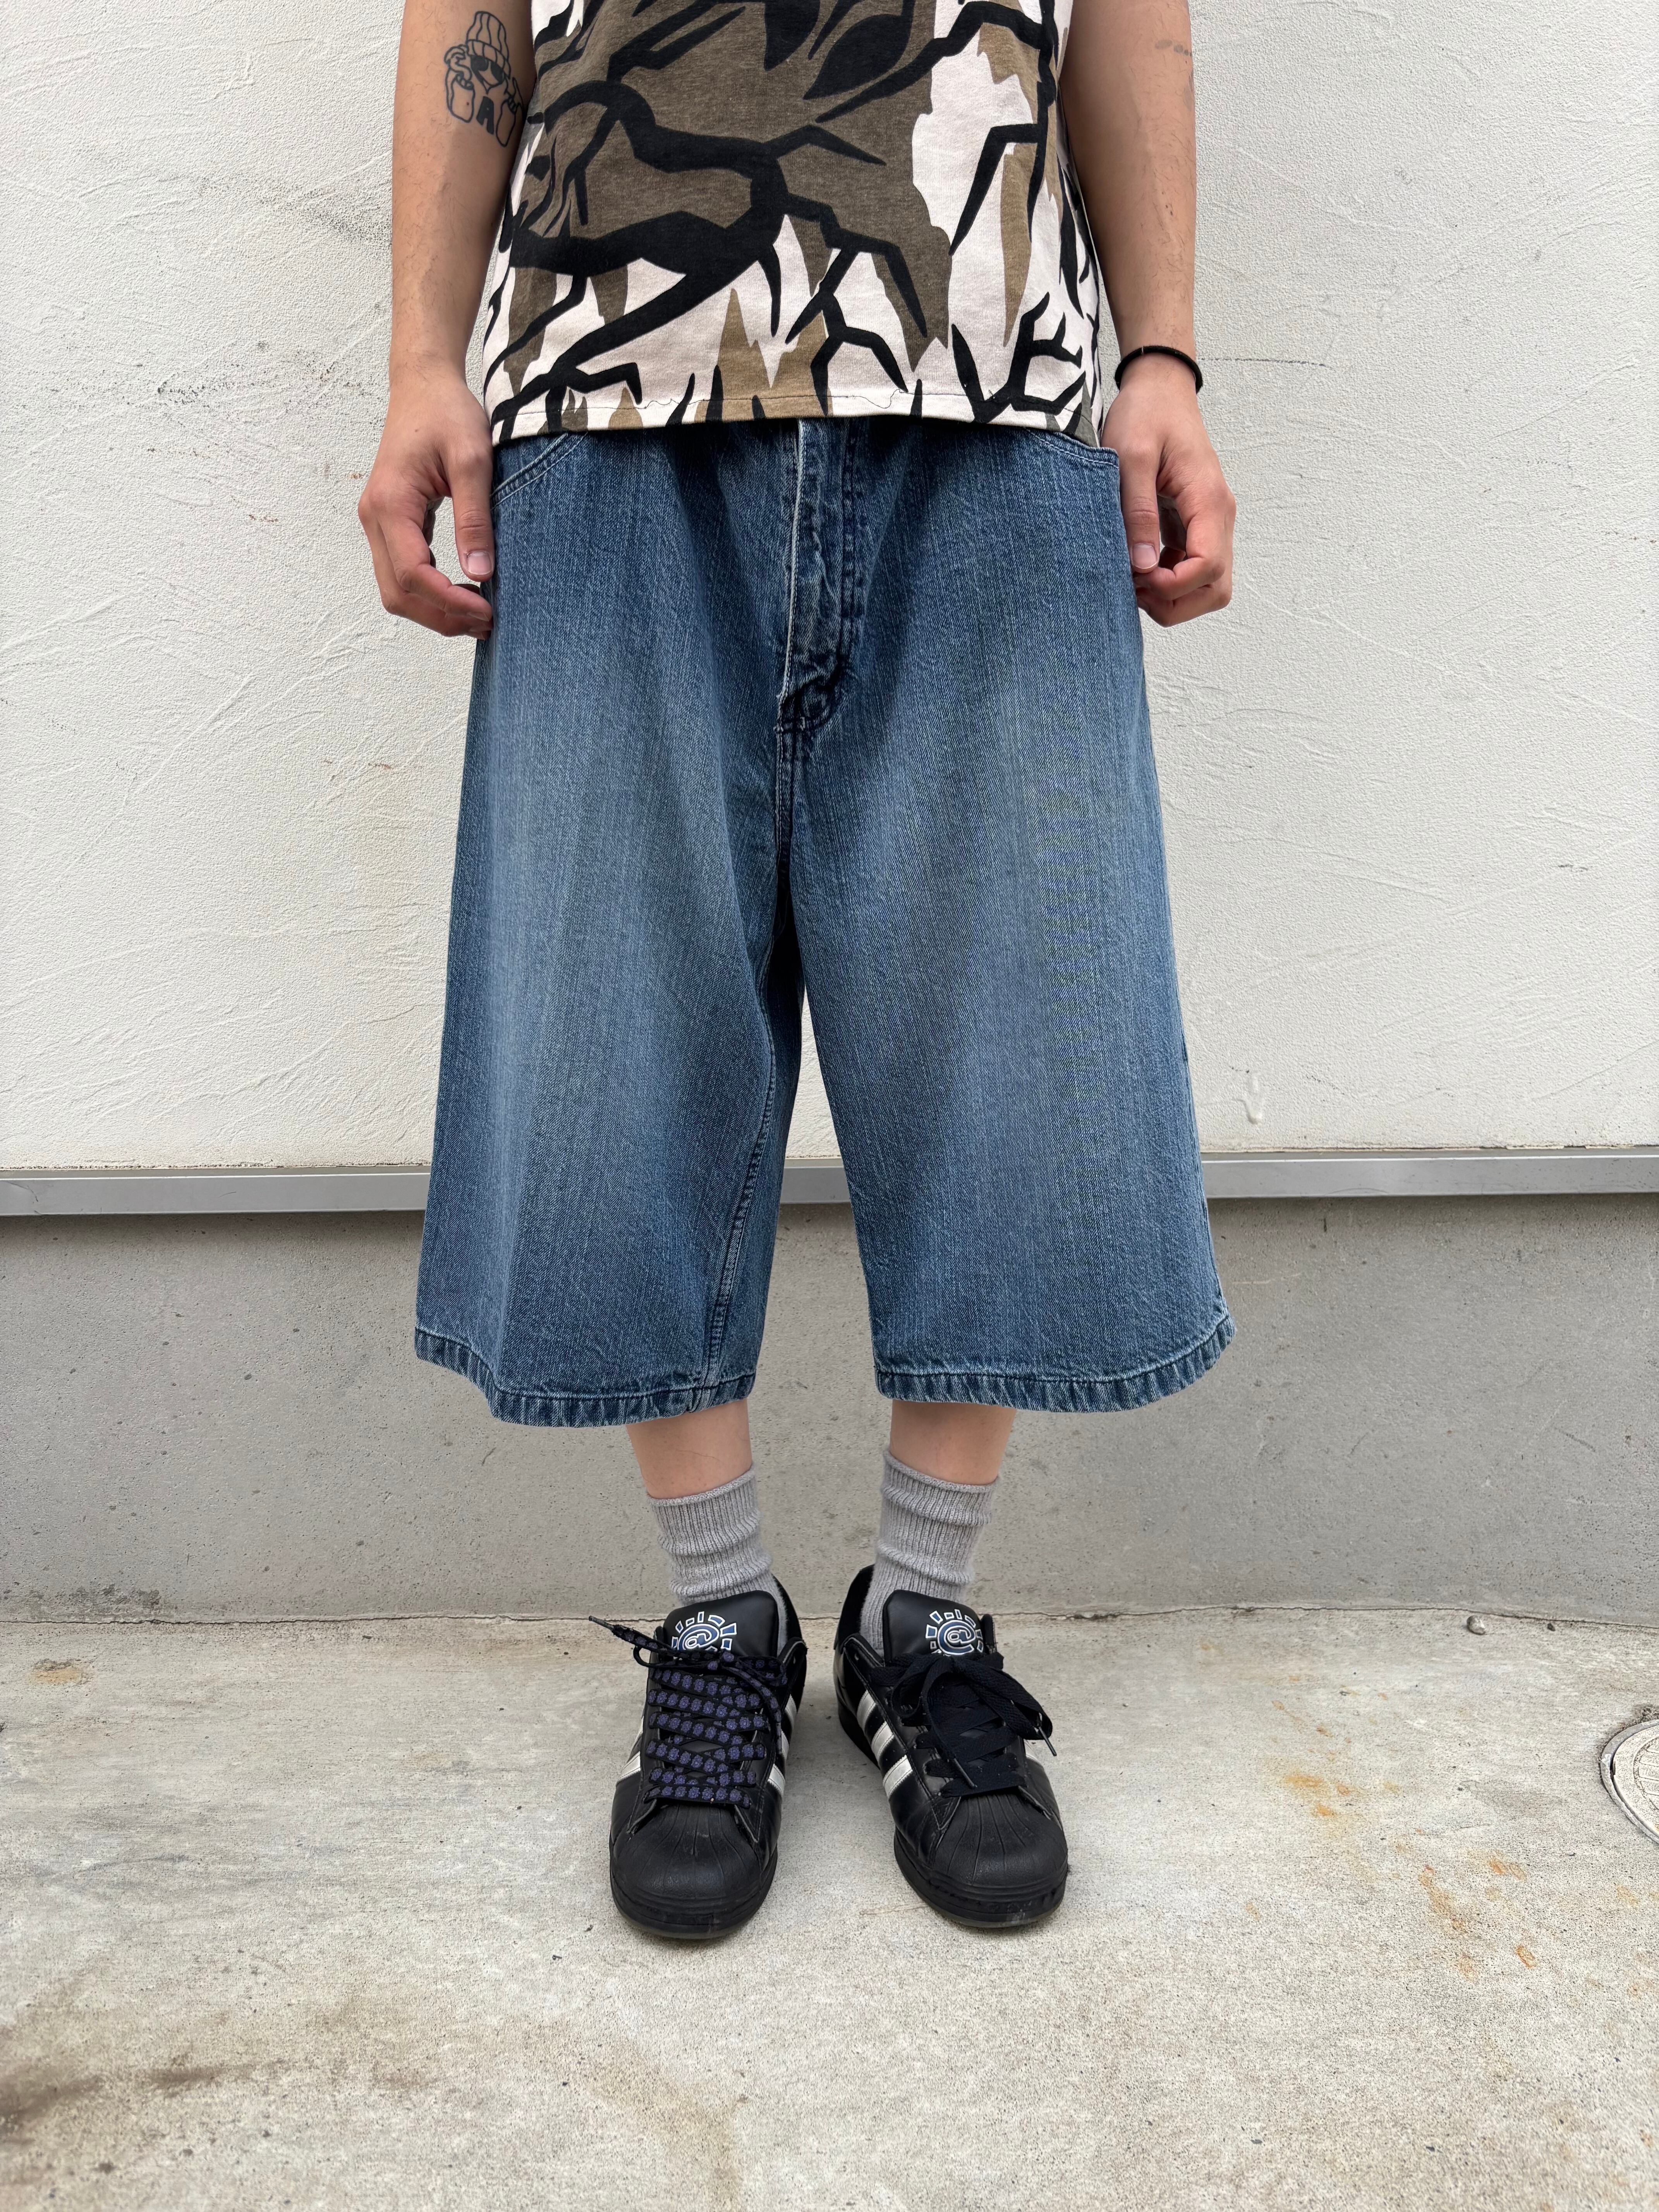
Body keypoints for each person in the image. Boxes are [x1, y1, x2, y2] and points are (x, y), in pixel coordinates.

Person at [360, 0, 1236, 1940]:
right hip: (604, 369)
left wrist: (1163, 353)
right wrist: (423, 356)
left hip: (996, 371)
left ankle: (924, 1608)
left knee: (1018, 1016)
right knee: (616, 1030)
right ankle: (718, 1617)